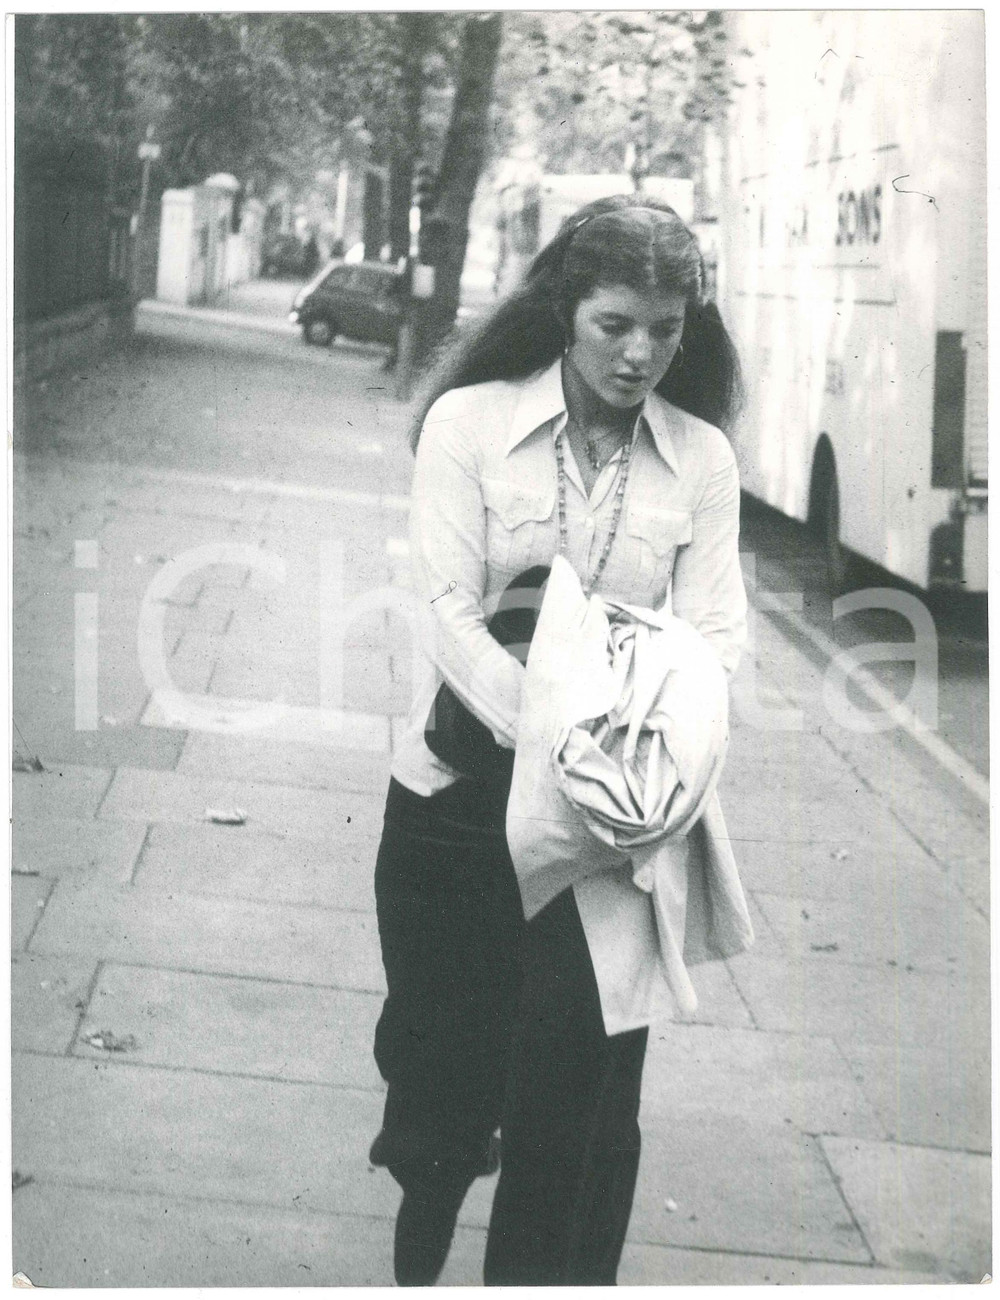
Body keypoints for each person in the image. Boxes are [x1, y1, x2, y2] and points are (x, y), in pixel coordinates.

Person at [368, 194, 748, 1285]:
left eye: (666, 329)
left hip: (610, 830)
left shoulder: (702, 459)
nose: (640, 354)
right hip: (456, 798)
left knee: (582, 1108)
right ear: (564, 310)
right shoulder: (469, 424)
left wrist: (633, 763)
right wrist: (558, 734)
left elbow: (715, 638)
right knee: (441, 1065)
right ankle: (434, 1168)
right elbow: (446, 612)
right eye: (615, 325)